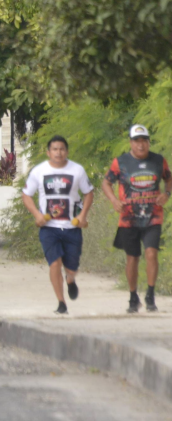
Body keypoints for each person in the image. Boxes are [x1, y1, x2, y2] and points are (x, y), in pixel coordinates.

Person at [21, 135, 95, 314]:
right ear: (48, 152)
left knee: (71, 267)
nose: (58, 152)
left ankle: (70, 279)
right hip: (49, 228)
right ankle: (61, 303)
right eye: (54, 149)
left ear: (67, 151)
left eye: (61, 149)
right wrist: (37, 215)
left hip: (72, 227)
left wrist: (83, 216)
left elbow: (89, 193)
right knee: (54, 263)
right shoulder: (39, 171)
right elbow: (26, 195)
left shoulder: (77, 170)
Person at [103, 124, 171, 313]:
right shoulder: (121, 162)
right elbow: (106, 182)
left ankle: (150, 295)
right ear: (131, 143)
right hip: (128, 218)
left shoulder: (158, 161)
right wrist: (114, 200)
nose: (141, 145)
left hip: (153, 216)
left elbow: (169, 178)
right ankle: (133, 297)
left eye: (144, 141)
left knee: (151, 254)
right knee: (132, 258)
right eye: (136, 141)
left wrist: (166, 193)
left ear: (148, 142)